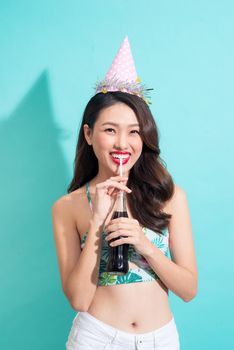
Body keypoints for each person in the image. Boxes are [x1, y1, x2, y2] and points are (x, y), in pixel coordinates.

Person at [52, 36, 198, 350]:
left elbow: (188, 289)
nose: (122, 143)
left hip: (160, 340)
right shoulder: (68, 207)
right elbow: (78, 299)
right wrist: (98, 222)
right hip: (97, 339)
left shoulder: (169, 196)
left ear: (144, 138)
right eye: (109, 130)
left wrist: (144, 244)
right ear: (89, 134)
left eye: (133, 131)